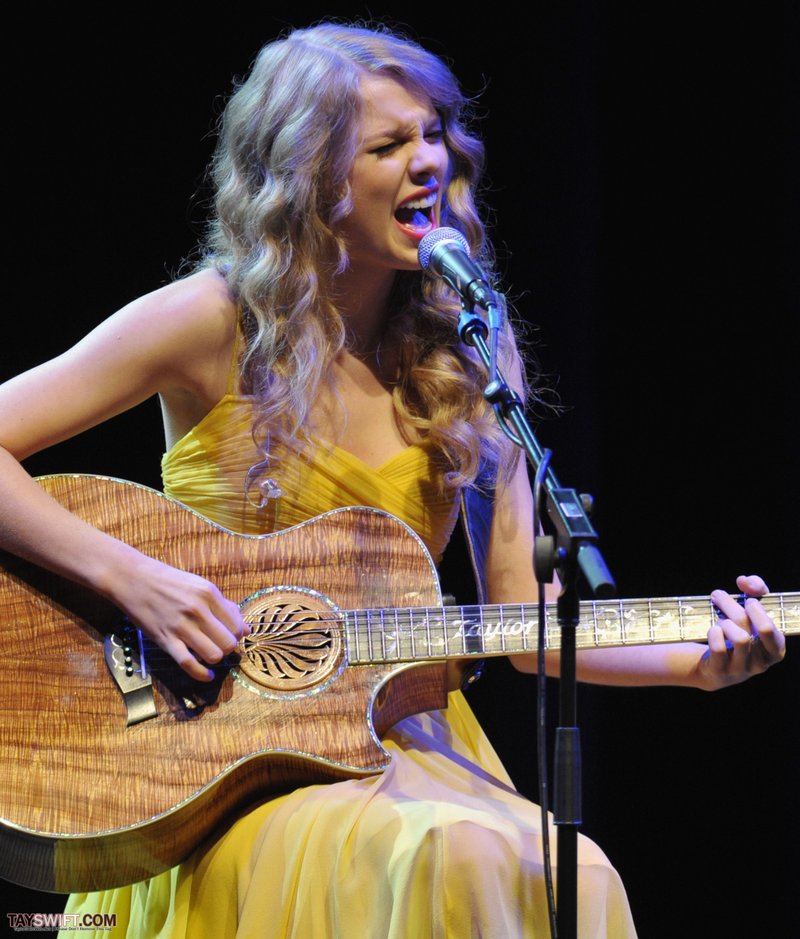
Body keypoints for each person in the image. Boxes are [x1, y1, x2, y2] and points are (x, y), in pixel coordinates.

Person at [0, 21, 786, 939]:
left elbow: (522, 621)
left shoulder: (467, 354)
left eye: (436, 133)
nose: (431, 161)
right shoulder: (214, 321)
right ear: (308, 176)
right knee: (450, 853)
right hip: (216, 757)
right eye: (389, 144)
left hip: (401, 742)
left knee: (574, 872)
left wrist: (699, 664)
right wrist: (136, 580)